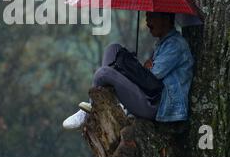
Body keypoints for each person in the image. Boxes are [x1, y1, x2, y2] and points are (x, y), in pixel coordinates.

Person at [62, 11, 194, 130]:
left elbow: (153, 75)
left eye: (151, 17)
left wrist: (138, 68)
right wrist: (138, 67)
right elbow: (148, 74)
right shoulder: (162, 44)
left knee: (103, 73)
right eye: (147, 17)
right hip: (149, 96)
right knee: (113, 48)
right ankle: (98, 104)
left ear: (166, 18)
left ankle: (90, 112)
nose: (147, 22)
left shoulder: (175, 45)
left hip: (157, 106)